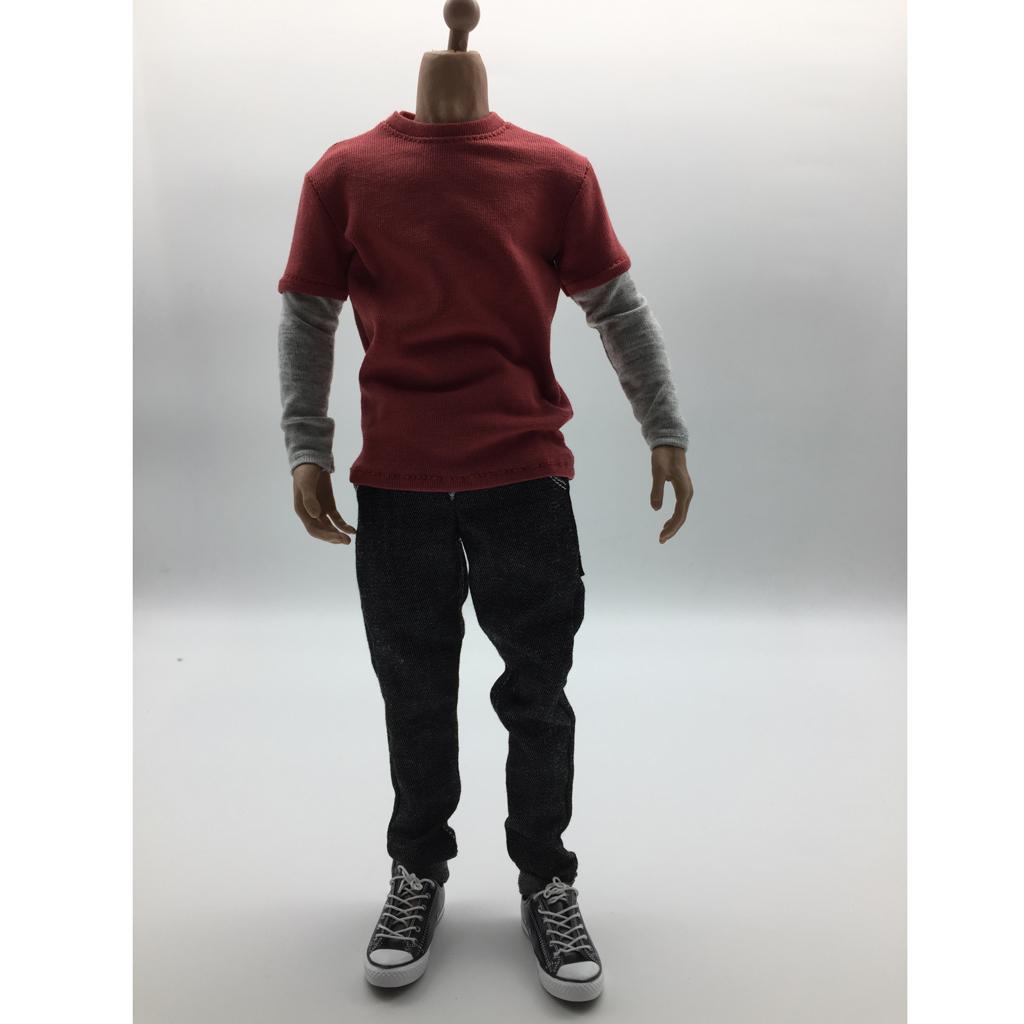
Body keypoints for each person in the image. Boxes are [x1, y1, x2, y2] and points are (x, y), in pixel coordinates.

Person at [277, 108, 693, 1002]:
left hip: (523, 479)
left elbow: (616, 306)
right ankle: (417, 870)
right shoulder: (343, 176)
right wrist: (307, 445)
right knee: (414, 693)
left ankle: (546, 879)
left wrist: (663, 428)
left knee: (537, 695)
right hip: (399, 486)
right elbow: (308, 313)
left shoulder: (554, 173)